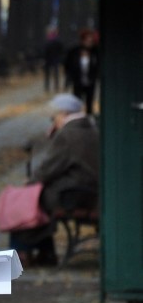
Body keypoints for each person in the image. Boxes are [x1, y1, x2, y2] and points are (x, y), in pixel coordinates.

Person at [11, 93, 99, 266]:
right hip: (92, 191)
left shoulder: (68, 134)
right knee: (39, 197)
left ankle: (23, 251)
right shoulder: (91, 128)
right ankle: (46, 252)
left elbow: (49, 168)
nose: (53, 120)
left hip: (76, 195)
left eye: (54, 116)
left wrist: (29, 184)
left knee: (27, 202)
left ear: (63, 114)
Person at [63, 28, 99, 113]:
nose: (89, 42)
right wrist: (70, 77)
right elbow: (68, 65)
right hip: (78, 82)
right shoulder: (74, 51)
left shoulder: (95, 52)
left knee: (89, 103)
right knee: (77, 103)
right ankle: (78, 119)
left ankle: (89, 118)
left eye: (91, 40)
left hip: (90, 82)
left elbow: (97, 65)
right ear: (83, 40)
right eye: (87, 40)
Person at [43, 26, 64, 93]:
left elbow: (61, 49)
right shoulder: (49, 40)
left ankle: (55, 87)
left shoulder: (55, 40)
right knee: (49, 73)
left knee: (55, 73)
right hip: (48, 59)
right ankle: (48, 87)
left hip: (54, 58)